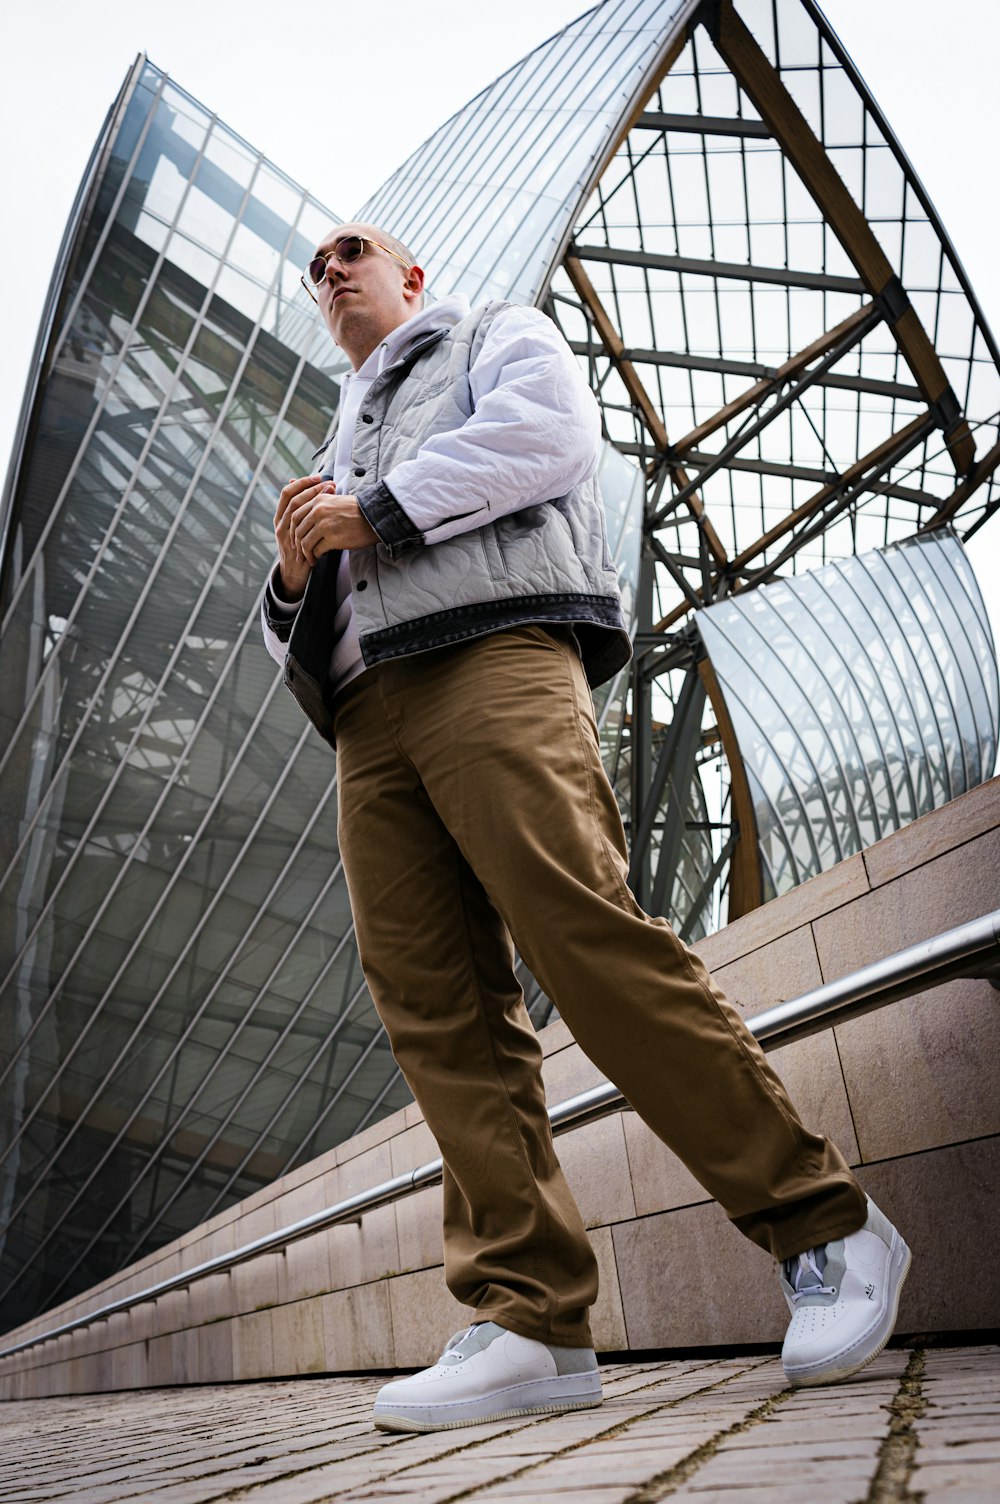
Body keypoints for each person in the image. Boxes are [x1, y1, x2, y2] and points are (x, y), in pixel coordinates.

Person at [261, 223, 911, 1434]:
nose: (329, 269)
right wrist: (297, 578)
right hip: (364, 720)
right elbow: (292, 613)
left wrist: (372, 510)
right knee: (435, 1009)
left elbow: (549, 440)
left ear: (413, 274)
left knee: (582, 934)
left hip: (487, 658)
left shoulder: (491, 334)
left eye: (353, 250)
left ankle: (826, 1227)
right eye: (316, 268)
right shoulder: (328, 440)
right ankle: (531, 1321)